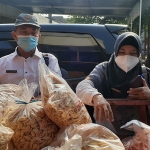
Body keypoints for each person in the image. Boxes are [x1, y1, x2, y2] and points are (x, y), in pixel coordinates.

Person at [76, 32, 150, 134]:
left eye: (132, 53)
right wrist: (96, 96)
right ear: (115, 52)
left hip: (140, 139)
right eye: (122, 52)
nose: (127, 57)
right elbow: (82, 86)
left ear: (139, 55)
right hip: (107, 137)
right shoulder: (103, 70)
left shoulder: (145, 73)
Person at [0, 13, 62, 95]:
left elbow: (58, 91)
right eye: (24, 32)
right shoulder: (2, 63)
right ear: (14, 35)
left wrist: (36, 102)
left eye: (33, 33)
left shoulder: (49, 60)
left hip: (41, 107)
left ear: (38, 37)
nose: (29, 36)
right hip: (9, 107)